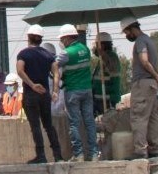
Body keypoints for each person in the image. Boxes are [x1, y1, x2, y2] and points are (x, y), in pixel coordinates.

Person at [16, 24, 63, 164]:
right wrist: (55, 90)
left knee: (35, 125)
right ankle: (58, 155)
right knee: (48, 125)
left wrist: (32, 84)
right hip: (45, 95)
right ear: (41, 39)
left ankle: (41, 155)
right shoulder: (48, 55)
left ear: (28, 38)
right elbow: (56, 73)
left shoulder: (23, 54)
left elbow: (19, 70)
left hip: (31, 94)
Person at [121, 17, 158, 158]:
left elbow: (144, 61)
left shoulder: (140, 41)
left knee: (138, 117)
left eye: (127, 33)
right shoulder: (149, 40)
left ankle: (140, 151)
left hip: (143, 84)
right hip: (152, 84)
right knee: (153, 117)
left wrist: (156, 75)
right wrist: (157, 77)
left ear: (131, 29)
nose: (127, 36)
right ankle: (154, 149)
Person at [57, 23, 98, 161]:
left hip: (73, 91)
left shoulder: (66, 53)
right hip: (87, 90)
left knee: (74, 123)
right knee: (89, 122)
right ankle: (93, 153)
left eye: (62, 40)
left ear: (67, 38)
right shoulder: (85, 49)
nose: (62, 42)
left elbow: (53, 66)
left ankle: (79, 154)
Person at [91, 32, 123, 115]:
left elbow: (111, 67)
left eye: (96, 45)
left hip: (108, 100)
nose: (94, 48)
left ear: (102, 45)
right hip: (99, 100)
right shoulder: (101, 59)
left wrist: (101, 53)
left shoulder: (112, 56)